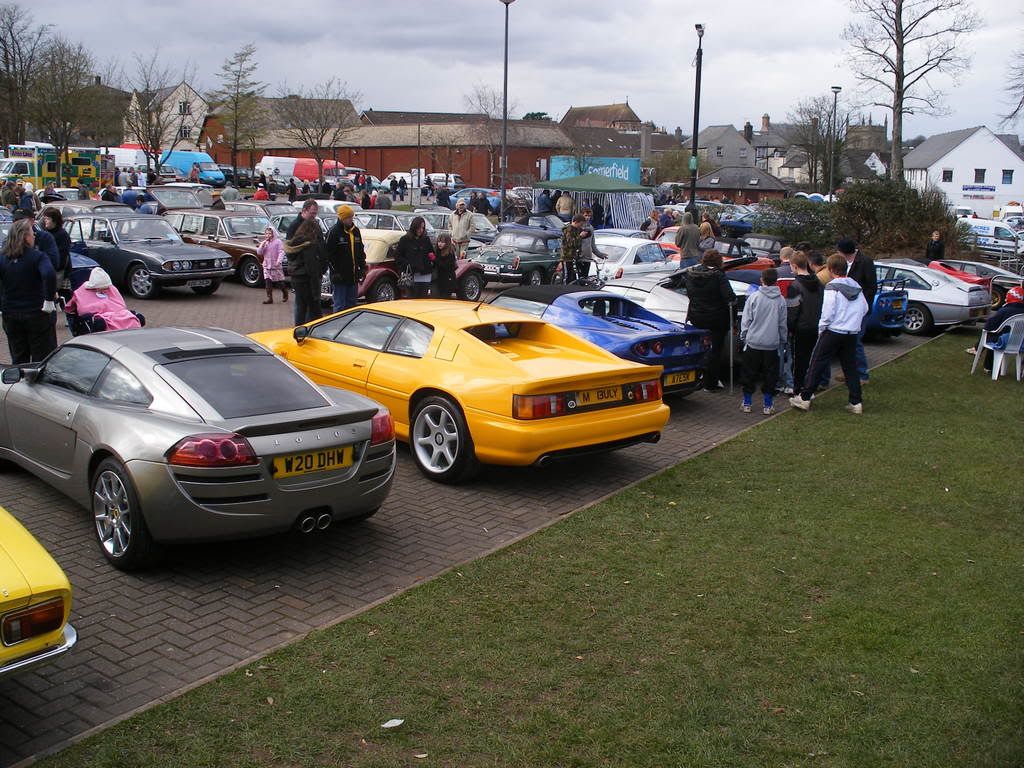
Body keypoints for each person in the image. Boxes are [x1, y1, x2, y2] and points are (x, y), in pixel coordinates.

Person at [789, 253, 870, 414]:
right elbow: (865, 308)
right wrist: (852, 322)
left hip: (833, 331)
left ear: (831, 269)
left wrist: (822, 329)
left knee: (816, 364)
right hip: (851, 332)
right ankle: (856, 401)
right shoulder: (856, 286)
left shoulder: (832, 288)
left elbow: (827, 313)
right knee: (850, 367)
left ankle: (804, 398)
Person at [0, 219, 57, 363]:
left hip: (11, 315)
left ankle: (19, 382)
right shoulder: (38, 257)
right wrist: (49, 300)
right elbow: (49, 274)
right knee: (43, 359)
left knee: (19, 358)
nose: (34, 237)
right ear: (25, 236)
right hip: (37, 313)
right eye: (32, 234)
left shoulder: (3, 258)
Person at [683, 249, 736, 391]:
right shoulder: (718, 276)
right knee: (715, 351)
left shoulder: (691, 274)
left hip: (697, 317)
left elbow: (689, 293)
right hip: (716, 319)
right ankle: (711, 383)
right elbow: (730, 297)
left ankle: (697, 378)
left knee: (700, 349)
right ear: (718, 261)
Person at [738, 268, 787, 415]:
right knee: (770, 374)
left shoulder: (754, 297)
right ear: (776, 281)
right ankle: (768, 404)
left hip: (753, 341)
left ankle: (747, 402)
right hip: (772, 343)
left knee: (749, 373)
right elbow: (782, 323)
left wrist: (744, 336)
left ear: (762, 280)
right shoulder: (780, 300)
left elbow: (746, 320)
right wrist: (783, 339)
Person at [786, 250, 825, 396]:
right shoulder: (819, 283)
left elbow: (792, 311)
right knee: (811, 359)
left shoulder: (794, 286)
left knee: (798, 362)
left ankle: (798, 391)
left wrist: (790, 327)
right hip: (815, 325)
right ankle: (809, 388)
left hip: (800, 328)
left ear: (795, 266)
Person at [837, 238, 876, 385]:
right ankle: (848, 371)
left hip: (859, 309)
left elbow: (871, 287)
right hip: (845, 308)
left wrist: (862, 306)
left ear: (844, 251)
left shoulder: (865, 262)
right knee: (845, 341)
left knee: (856, 341)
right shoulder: (843, 263)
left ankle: (862, 375)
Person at [283, 202, 325, 325]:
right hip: (304, 274)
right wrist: (318, 270)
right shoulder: (296, 227)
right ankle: (302, 329)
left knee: (303, 304)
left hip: (302, 274)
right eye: (312, 214)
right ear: (304, 210)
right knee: (307, 305)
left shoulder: (312, 226)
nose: (314, 216)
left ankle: (301, 327)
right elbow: (293, 254)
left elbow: (321, 246)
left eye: (315, 214)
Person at [64, 267, 141, 333]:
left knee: (131, 318)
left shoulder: (110, 288)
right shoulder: (82, 291)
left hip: (117, 313)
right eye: (102, 288)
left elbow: (120, 303)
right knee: (100, 323)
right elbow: (79, 307)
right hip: (100, 317)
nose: (105, 289)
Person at [967, 286, 1024, 372]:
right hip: (1020, 343)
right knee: (996, 334)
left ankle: (988, 366)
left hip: (1004, 342)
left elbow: (989, 325)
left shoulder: (1005, 310)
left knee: (990, 335)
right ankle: (976, 349)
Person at [324, 205, 366, 312]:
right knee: (339, 305)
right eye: (348, 217)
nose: (351, 220)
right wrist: (335, 272)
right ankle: (338, 326)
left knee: (351, 305)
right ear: (342, 218)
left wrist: (362, 267)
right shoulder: (333, 232)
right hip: (340, 277)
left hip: (353, 276)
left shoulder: (355, 231)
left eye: (352, 217)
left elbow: (360, 250)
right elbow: (328, 254)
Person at [395, 216, 434, 298]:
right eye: (419, 228)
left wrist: (430, 261)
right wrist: (408, 264)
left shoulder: (426, 239)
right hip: (411, 274)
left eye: (423, 228)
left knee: (423, 298)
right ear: (414, 227)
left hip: (424, 274)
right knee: (412, 298)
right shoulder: (405, 239)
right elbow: (398, 256)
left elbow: (431, 253)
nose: (421, 230)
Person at [257, 226, 287, 304]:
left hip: (276, 265)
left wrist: (279, 261)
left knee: (279, 282)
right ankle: (269, 298)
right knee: (267, 282)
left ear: (273, 234)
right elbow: (259, 252)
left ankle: (285, 292)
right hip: (267, 265)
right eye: (266, 233)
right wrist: (262, 245)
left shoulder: (278, 242)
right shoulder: (265, 242)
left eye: (270, 233)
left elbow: (281, 252)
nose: (268, 235)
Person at [560, 214, 586, 283]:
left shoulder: (577, 230)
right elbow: (570, 243)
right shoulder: (568, 230)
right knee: (567, 275)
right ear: (576, 222)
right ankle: (565, 288)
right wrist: (580, 236)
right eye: (581, 224)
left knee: (574, 276)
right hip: (567, 256)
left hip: (575, 256)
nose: (581, 226)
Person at [433, 233, 458, 298]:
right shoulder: (438, 251)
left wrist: (435, 259)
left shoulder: (450, 254)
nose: (440, 244)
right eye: (439, 241)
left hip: (447, 281)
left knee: (444, 297)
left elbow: (445, 266)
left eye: (442, 242)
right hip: (439, 279)